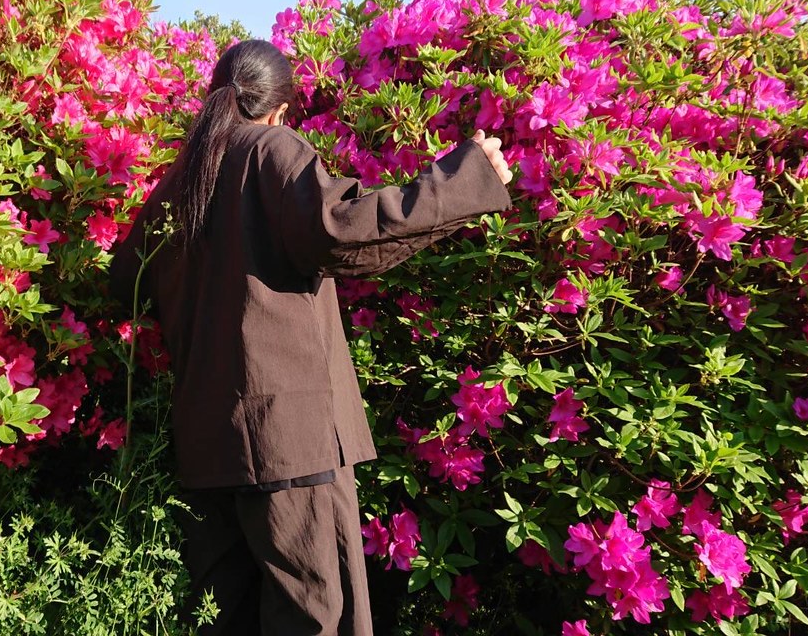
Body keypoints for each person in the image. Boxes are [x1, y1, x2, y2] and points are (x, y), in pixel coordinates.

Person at [107, 39, 513, 636]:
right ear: (280, 109)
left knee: (230, 620)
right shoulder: (271, 149)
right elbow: (341, 229)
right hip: (287, 440)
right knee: (316, 616)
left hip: (208, 445)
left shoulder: (180, 180)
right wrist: (465, 177)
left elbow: (126, 283)